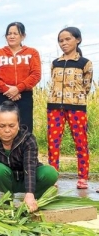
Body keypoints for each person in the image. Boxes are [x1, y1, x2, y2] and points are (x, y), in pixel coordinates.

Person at [0, 101, 58, 212]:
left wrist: (29, 193)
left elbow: (29, 167)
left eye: (12, 126)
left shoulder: (28, 139)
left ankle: (32, 200)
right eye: (1, 126)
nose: (7, 130)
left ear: (18, 124)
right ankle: (7, 200)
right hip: (7, 180)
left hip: (29, 180)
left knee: (50, 173)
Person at [47, 27, 93, 190]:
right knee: (53, 142)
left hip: (77, 107)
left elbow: (87, 86)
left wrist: (75, 97)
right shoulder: (55, 63)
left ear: (78, 40)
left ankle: (83, 177)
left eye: (67, 39)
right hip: (54, 107)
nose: (64, 43)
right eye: (61, 40)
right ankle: (52, 176)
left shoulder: (84, 63)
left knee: (81, 142)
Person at [0, 22, 41, 133]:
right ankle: (2, 150)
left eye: (15, 33)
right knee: (2, 127)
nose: (11, 36)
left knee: (24, 127)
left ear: (23, 36)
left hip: (24, 96)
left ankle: (25, 150)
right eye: (9, 33)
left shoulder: (32, 53)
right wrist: (7, 89)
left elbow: (36, 75)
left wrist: (17, 88)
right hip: (2, 95)